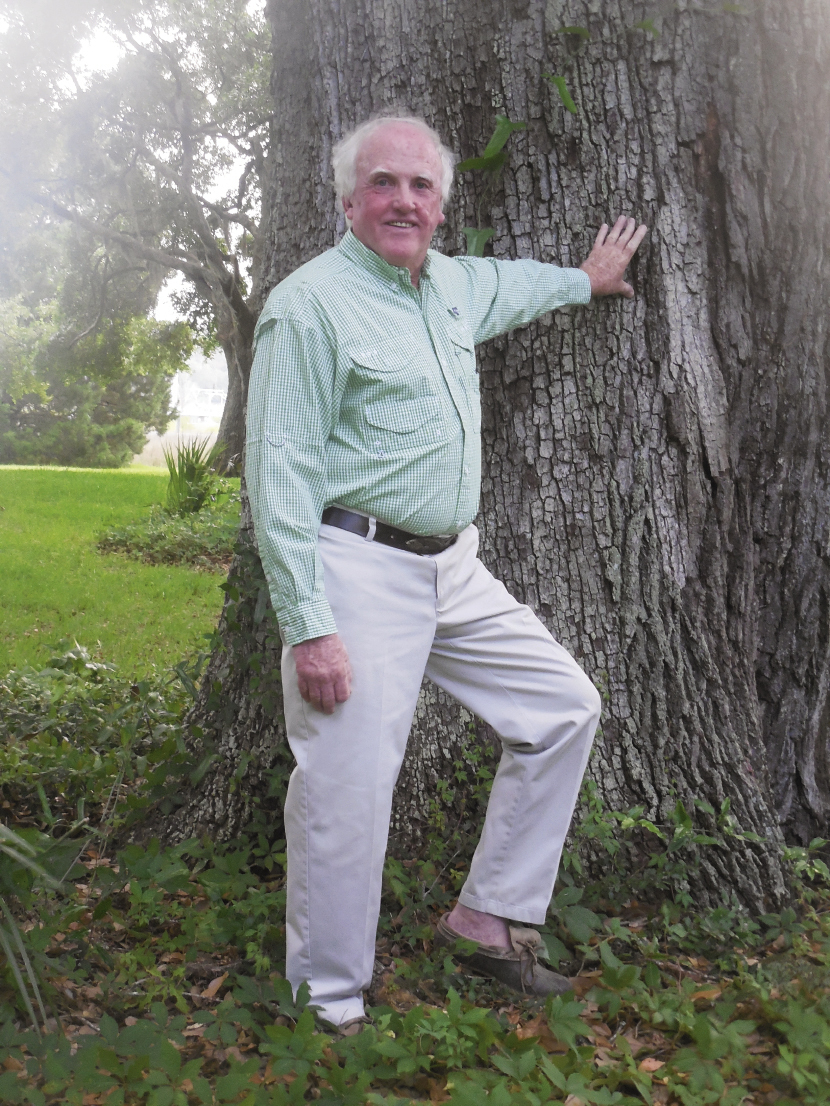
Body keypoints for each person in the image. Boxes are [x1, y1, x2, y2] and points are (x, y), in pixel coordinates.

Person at [246, 114, 647, 1033]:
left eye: (421, 187)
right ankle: (329, 1003)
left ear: (441, 206)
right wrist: (309, 623)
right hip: (353, 568)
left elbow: (516, 286)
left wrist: (585, 282)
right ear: (348, 200)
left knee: (562, 707)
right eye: (383, 183)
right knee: (347, 788)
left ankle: (485, 919)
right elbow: (277, 474)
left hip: (452, 569)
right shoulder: (309, 306)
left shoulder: (456, 287)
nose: (403, 200)